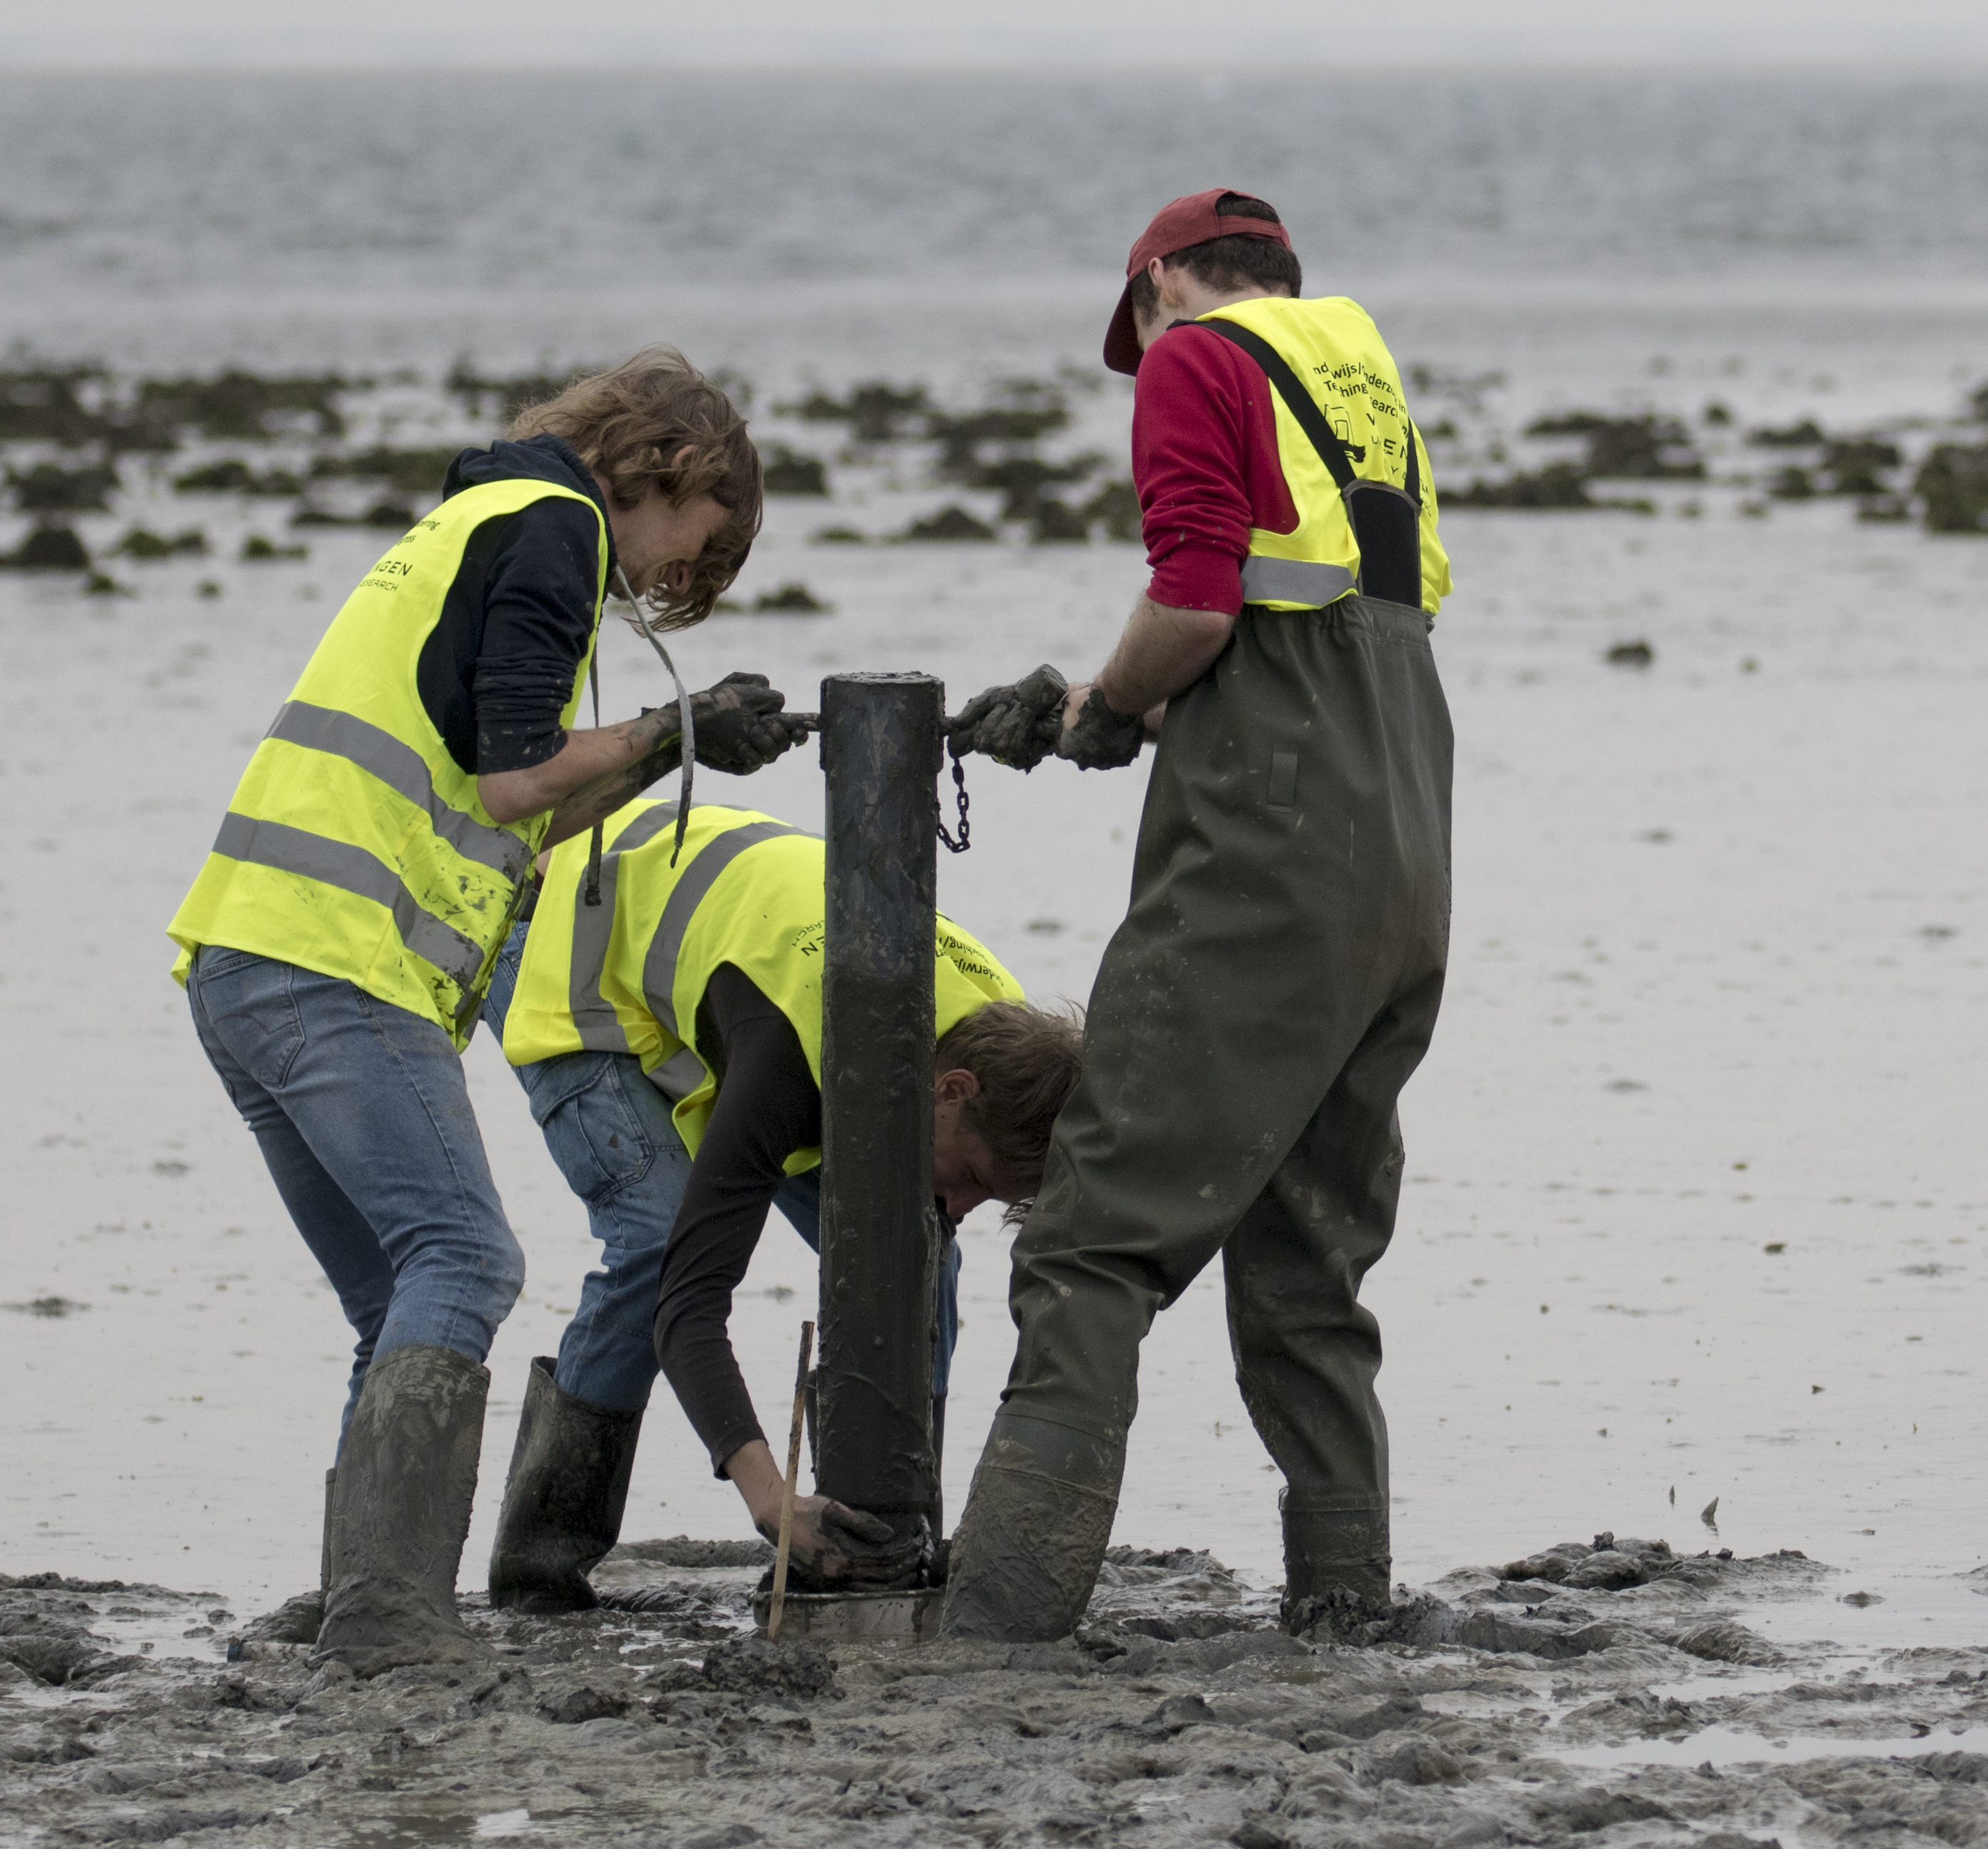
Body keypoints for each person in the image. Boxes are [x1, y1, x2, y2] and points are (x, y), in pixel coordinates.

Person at [169, 349, 805, 1670]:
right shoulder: (559, 529)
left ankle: (359, 1600)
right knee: (466, 1260)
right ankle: (394, 1616)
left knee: (399, 1295)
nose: (689, 577)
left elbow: (505, 787)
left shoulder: (477, 519)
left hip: (244, 956)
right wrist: (664, 730)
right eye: (705, 539)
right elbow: (520, 780)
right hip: (336, 966)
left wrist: (657, 748)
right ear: (668, 469)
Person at [939, 188, 1453, 1642]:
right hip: (1409, 831)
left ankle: (1001, 1619)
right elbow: (1319, 634)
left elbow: (1200, 601)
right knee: (1308, 1264)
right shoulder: (1356, 377)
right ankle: (1345, 1608)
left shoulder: (1193, 356)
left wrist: (1103, 697)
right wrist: (1139, 710)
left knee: (1090, 1241)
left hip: (1273, 860)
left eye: (1140, 314)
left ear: (1165, 277)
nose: (1142, 344)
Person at [481, 797, 1084, 1609]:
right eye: (970, 1176)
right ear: (952, 1090)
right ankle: (538, 1567)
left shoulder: (998, 1032)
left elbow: (954, 1192)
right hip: (569, 944)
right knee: (656, 1243)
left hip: (732, 955)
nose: (963, 1203)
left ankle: (876, 1531)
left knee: (922, 1250)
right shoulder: (790, 1061)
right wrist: (768, 1496)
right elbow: (688, 1302)